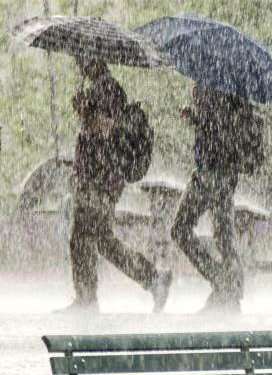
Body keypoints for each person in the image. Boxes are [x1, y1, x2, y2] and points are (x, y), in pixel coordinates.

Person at [58, 57, 170, 313]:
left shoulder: (108, 88)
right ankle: (154, 280)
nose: (79, 65)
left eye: (82, 59)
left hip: (100, 179)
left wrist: (84, 112)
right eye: (77, 59)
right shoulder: (101, 88)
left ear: (96, 60)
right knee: (103, 241)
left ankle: (87, 300)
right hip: (99, 178)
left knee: (81, 237)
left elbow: (106, 129)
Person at [172, 83, 262, 314]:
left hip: (212, 174)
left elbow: (217, 129)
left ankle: (224, 283)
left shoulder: (217, 84)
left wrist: (196, 113)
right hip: (221, 174)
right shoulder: (229, 85)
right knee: (223, 234)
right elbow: (219, 128)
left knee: (181, 229)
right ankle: (230, 289)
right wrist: (196, 114)